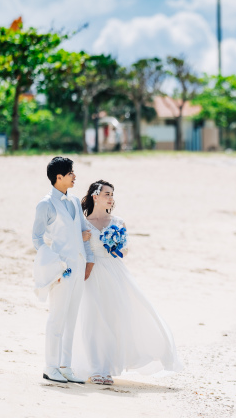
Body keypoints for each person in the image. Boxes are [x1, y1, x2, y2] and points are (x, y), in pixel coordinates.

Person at [72, 180, 183, 385]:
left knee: (115, 319)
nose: (111, 198)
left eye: (112, 194)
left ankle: (108, 367)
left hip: (114, 273)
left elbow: (125, 251)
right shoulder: (83, 223)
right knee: (93, 320)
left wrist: (113, 243)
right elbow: (75, 249)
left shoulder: (118, 222)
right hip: (92, 273)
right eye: (107, 194)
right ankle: (97, 369)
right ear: (95, 196)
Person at [32, 157, 95, 384]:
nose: (74, 176)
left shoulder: (75, 201)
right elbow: (37, 238)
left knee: (71, 318)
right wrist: (53, 264)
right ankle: (50, 366)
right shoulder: (46, 204)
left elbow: (83, 233)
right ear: (59, 177)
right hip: (61, 269)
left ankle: (65, 366)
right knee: (57, 318)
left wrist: (88, 261)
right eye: (70, 173)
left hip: (78, 268)